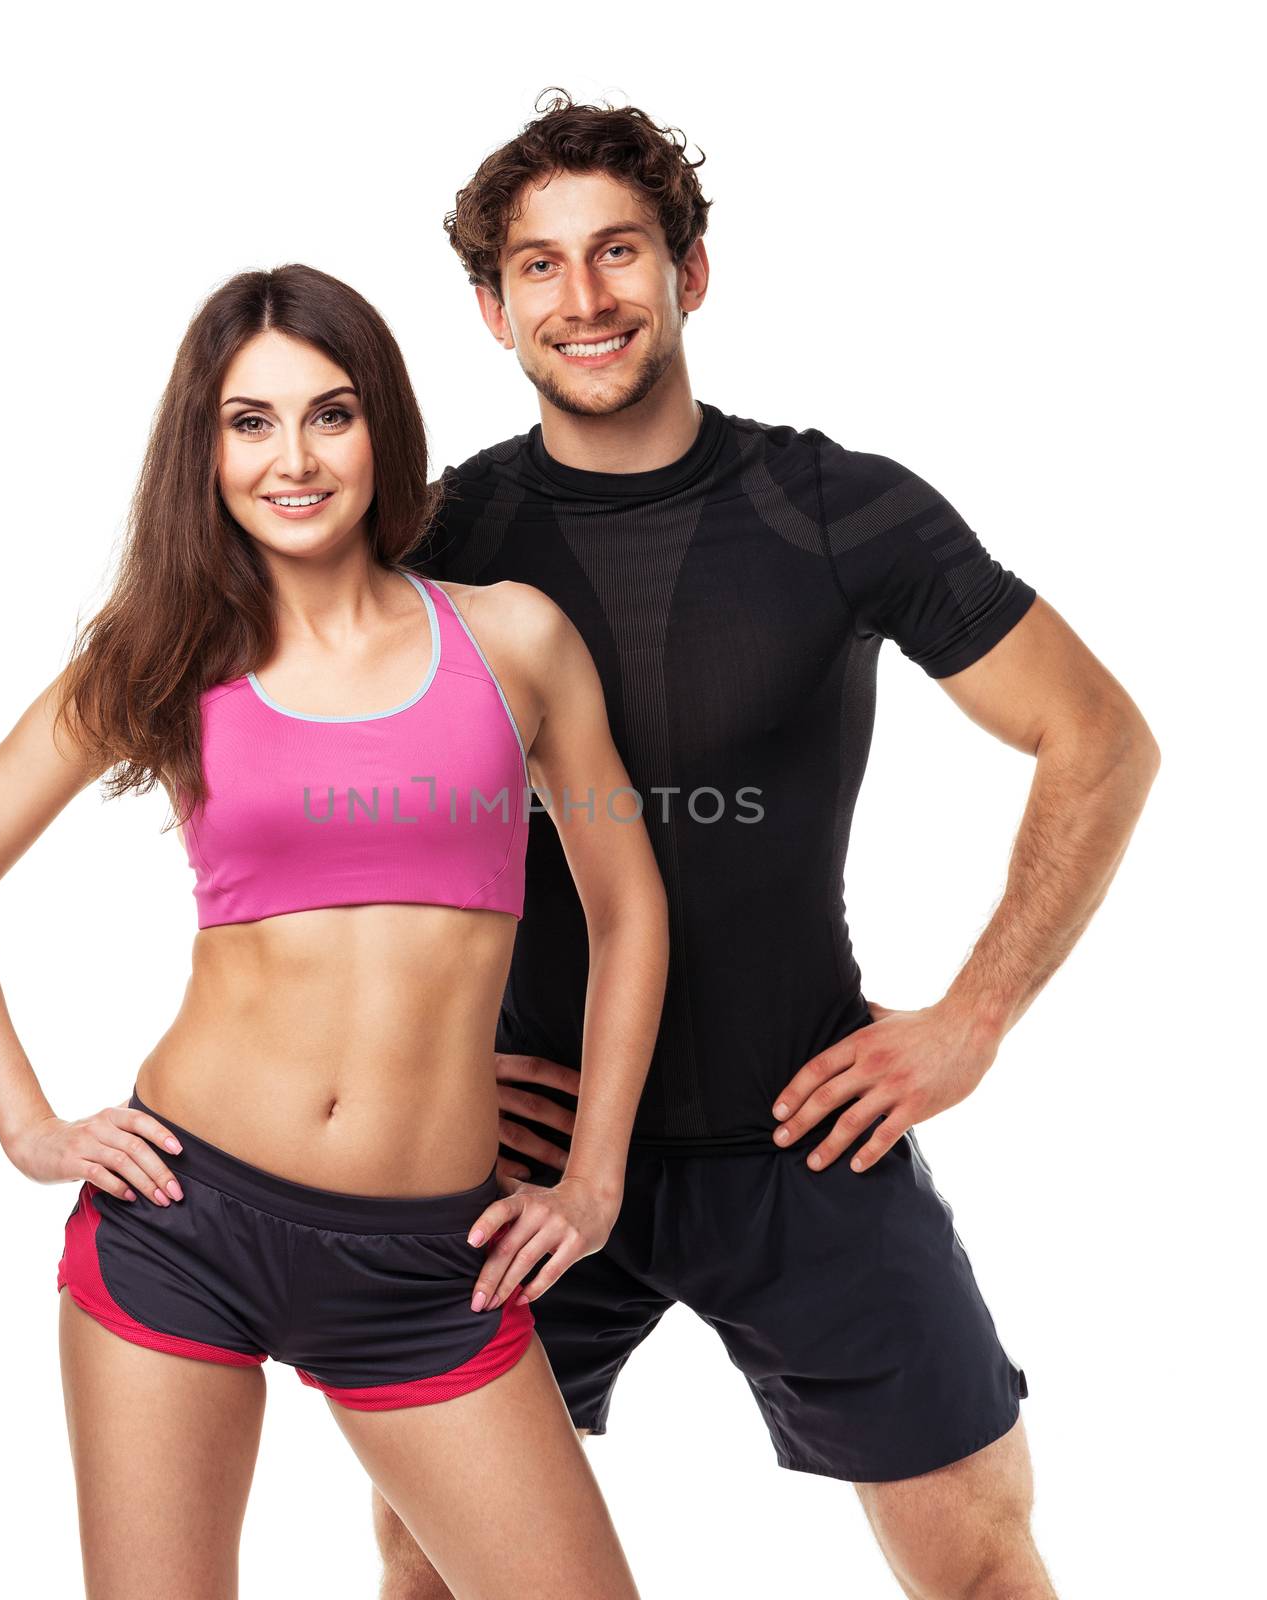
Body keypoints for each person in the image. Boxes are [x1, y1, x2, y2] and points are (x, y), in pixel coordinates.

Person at [376, 93, 1161, 1599]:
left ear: (691, 273)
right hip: (527, 1151)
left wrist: (973, 1019)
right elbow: (314, 814)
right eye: (538, 267)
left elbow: (1099, 737)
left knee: (983, 1561)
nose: (584, 297)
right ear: (490, 309)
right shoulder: (439, 538)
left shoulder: (835, 509)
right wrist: (427, 1061)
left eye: (618, 251)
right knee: (429, 1566)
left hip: (806, 1133)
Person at [0, 263, 669, 1600]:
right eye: (249, 422)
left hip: (432, 1263)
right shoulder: (161, 655)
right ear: (205, 446)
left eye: (331, 413)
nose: (293, 458)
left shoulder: (512, 641)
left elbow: (628, 907)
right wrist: (29, 1125)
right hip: (185, 1220)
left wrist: (593, 1182)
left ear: (383, 433)